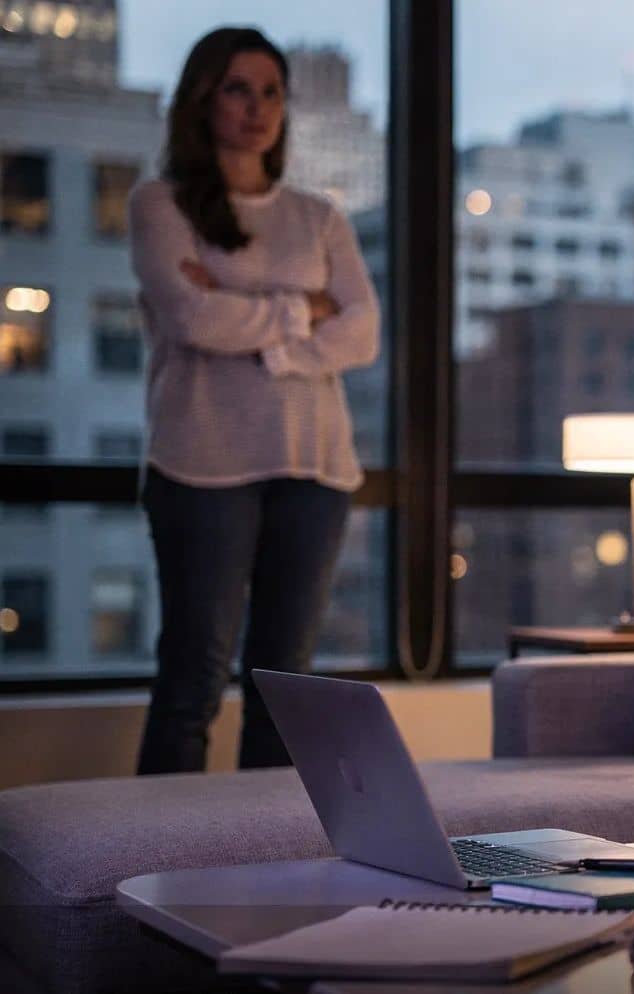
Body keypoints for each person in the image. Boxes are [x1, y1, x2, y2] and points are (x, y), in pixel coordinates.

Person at [129, 27, 379, 774]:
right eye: (239, 89)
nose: (257, 108)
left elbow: (363, 332)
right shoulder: (159, 203)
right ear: (203, 99)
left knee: (284, 685)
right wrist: (305, 310)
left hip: (313, 469)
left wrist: (257, 325)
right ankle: (157, 845)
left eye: (271, 92)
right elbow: (192, 319)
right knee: (192, 681)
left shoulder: (319, 216)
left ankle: (262, 844)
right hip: (200, 464)